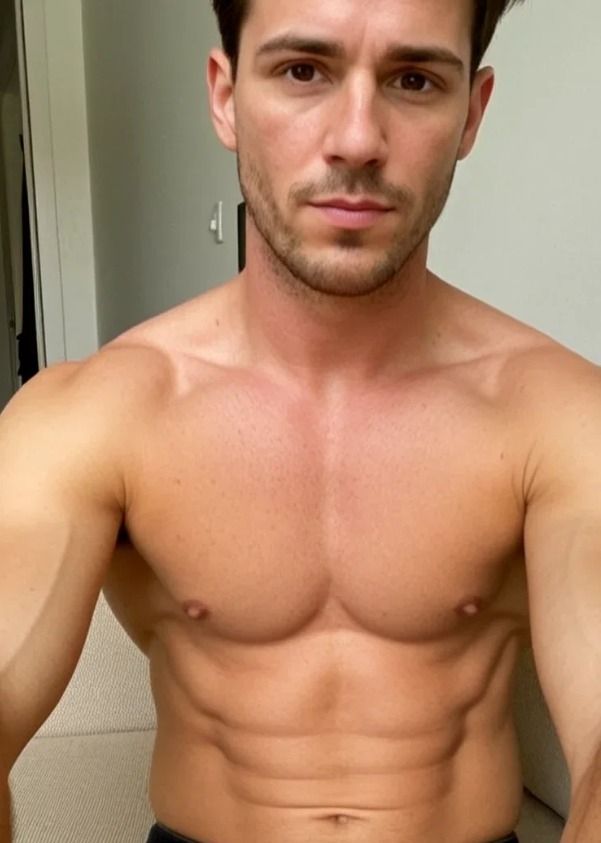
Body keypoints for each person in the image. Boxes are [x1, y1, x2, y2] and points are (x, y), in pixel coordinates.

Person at [1, 0, 600, 841]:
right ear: (225, 97)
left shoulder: (561, 416)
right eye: (303, 71)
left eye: (413, 80)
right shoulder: (93, 416)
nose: (356, 139)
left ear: (470, 113)